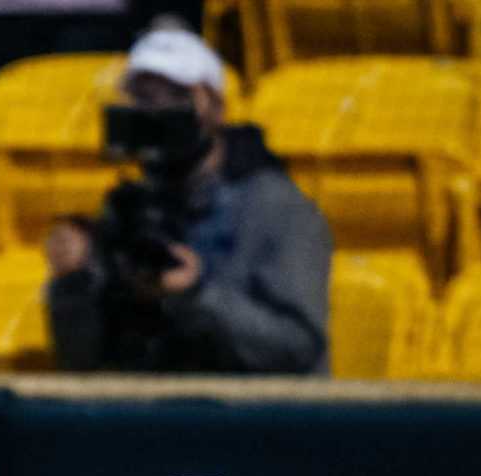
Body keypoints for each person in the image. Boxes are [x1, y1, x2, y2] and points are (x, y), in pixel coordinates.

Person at [43, 27, 330, 377]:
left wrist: (197, 296)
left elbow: (296, 348)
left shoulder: (277, 208)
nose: (157, 111)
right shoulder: (131, 207)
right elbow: (81, 361)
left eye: (174, 96)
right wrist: (74, 283)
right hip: (158, 415)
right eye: (144, 98)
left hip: (257, 417)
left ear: (215, 107)